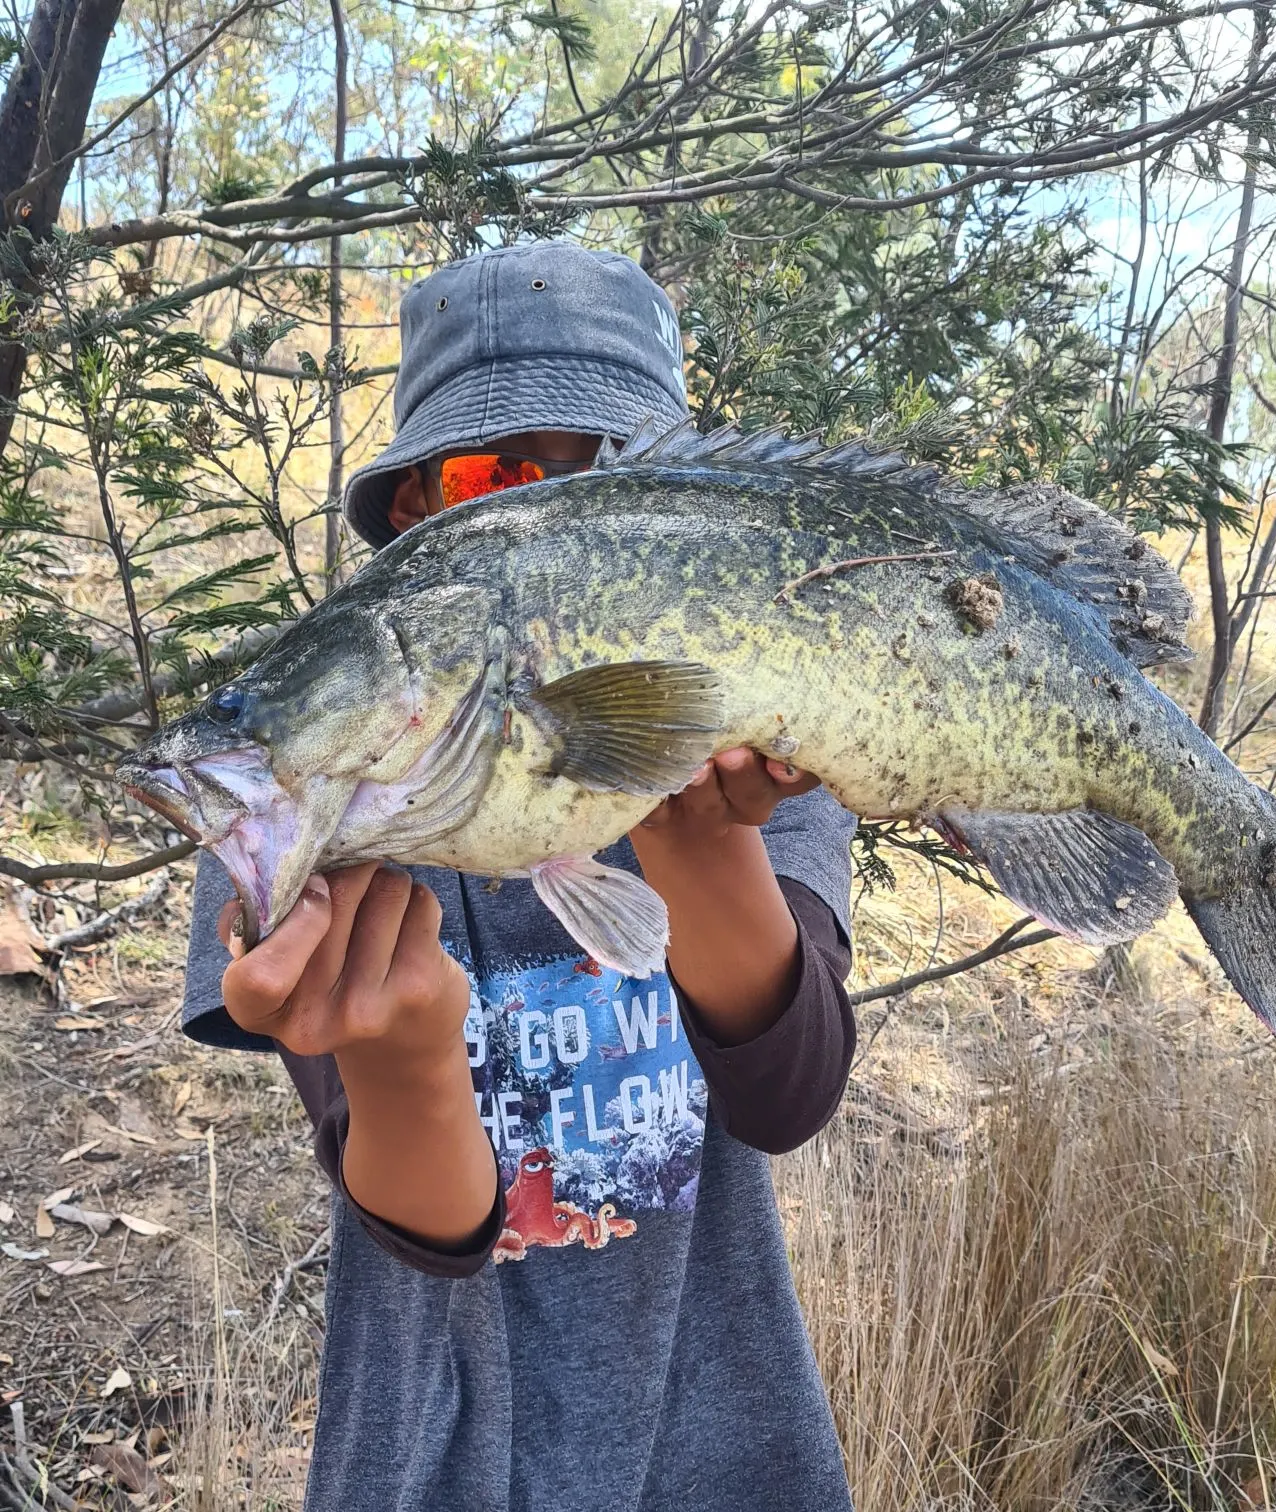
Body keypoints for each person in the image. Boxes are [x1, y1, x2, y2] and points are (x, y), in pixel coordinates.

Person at [180, 241, 859, 1511]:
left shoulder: (784, 734)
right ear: (410, 532)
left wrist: (693, 825)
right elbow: (429, 1233)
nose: (539, 521)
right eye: (486, 480)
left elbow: (789, 1093)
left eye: (608, 484)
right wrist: (399, 1060)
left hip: (729, 1440)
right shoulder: (320, 782)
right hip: (428, 1456)